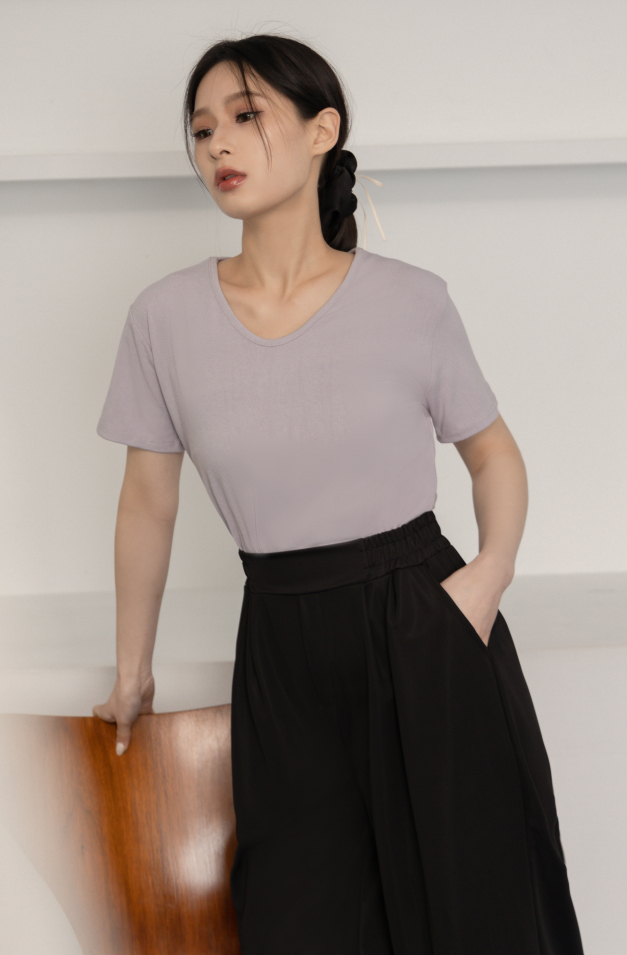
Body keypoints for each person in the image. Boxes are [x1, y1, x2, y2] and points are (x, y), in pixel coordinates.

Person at [92, 33, 585, 955]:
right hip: (279, 642)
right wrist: (132, 670)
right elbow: (146, 504)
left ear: (323, 131)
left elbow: (493, 455)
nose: (216, 144)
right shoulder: (162, 318)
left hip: (422, 621)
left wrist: (486, 578)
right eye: (200, 129)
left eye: (245, 117)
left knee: (470, 914)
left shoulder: (411, 301)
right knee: (301, 917)